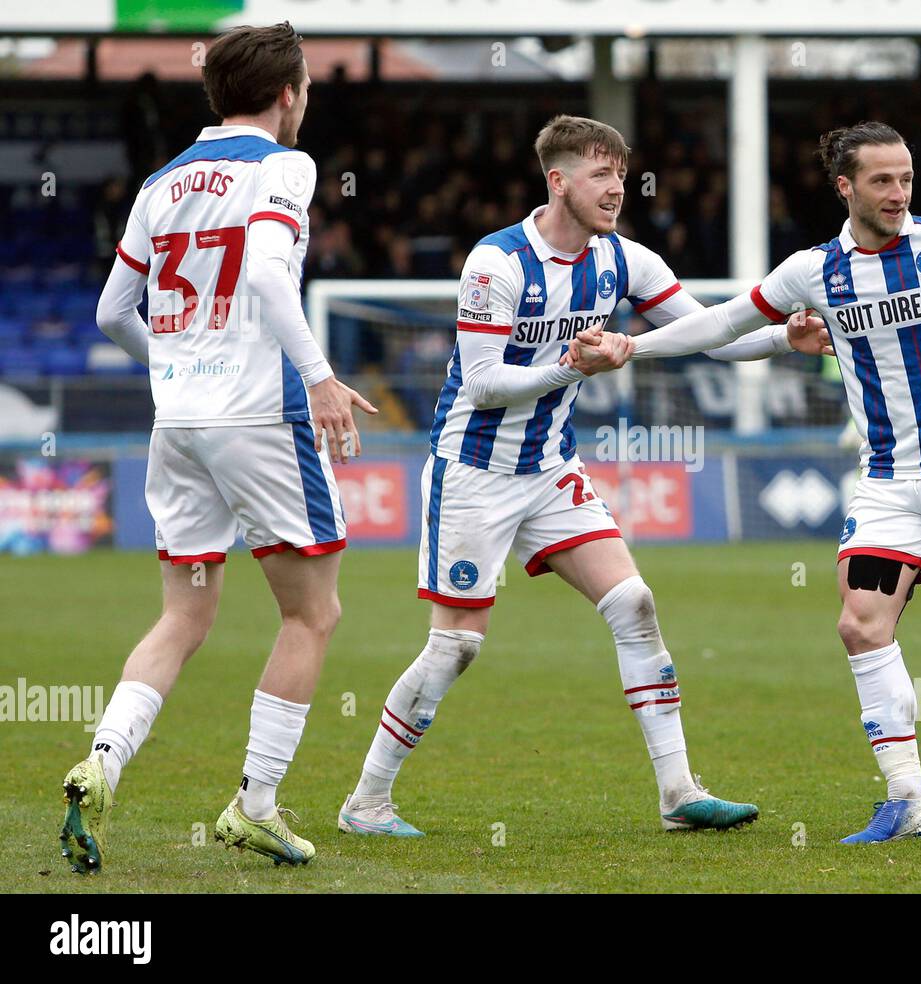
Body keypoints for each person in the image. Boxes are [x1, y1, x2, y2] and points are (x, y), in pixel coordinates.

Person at [572, 121, 921, 843]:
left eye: (905, 178)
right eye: (881, 181)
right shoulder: (814, 270)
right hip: (887, 482)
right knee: (860, 623)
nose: (898, 194)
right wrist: (631, 345)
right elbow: (720, 326)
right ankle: (907, 796)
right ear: (846, 187)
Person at [337, 115, 826, 836]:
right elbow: (481, 386)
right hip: (472, 469)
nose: (617, 189)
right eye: (601, 175)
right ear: (558, 181)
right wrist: (569, 365)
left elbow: (709, 333)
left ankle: (678, 793)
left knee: (633, 604)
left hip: (548, 469)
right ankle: (365, 803)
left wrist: (784, 337)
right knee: (457, 646)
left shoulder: (624, 261)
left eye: (622, 175)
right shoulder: (494, 264)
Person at [66, 21, 376, 872]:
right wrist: (316, 376)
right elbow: (270, 274)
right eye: (305, 85)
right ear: (286, 94)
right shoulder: (285, 165)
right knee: (312, 612)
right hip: (261, 418)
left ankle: (103, 758)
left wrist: (179, 367)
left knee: (184, 612)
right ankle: (257, 805)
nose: (306, 99)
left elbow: (109, 313)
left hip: (181, 426)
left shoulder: (163, 180)